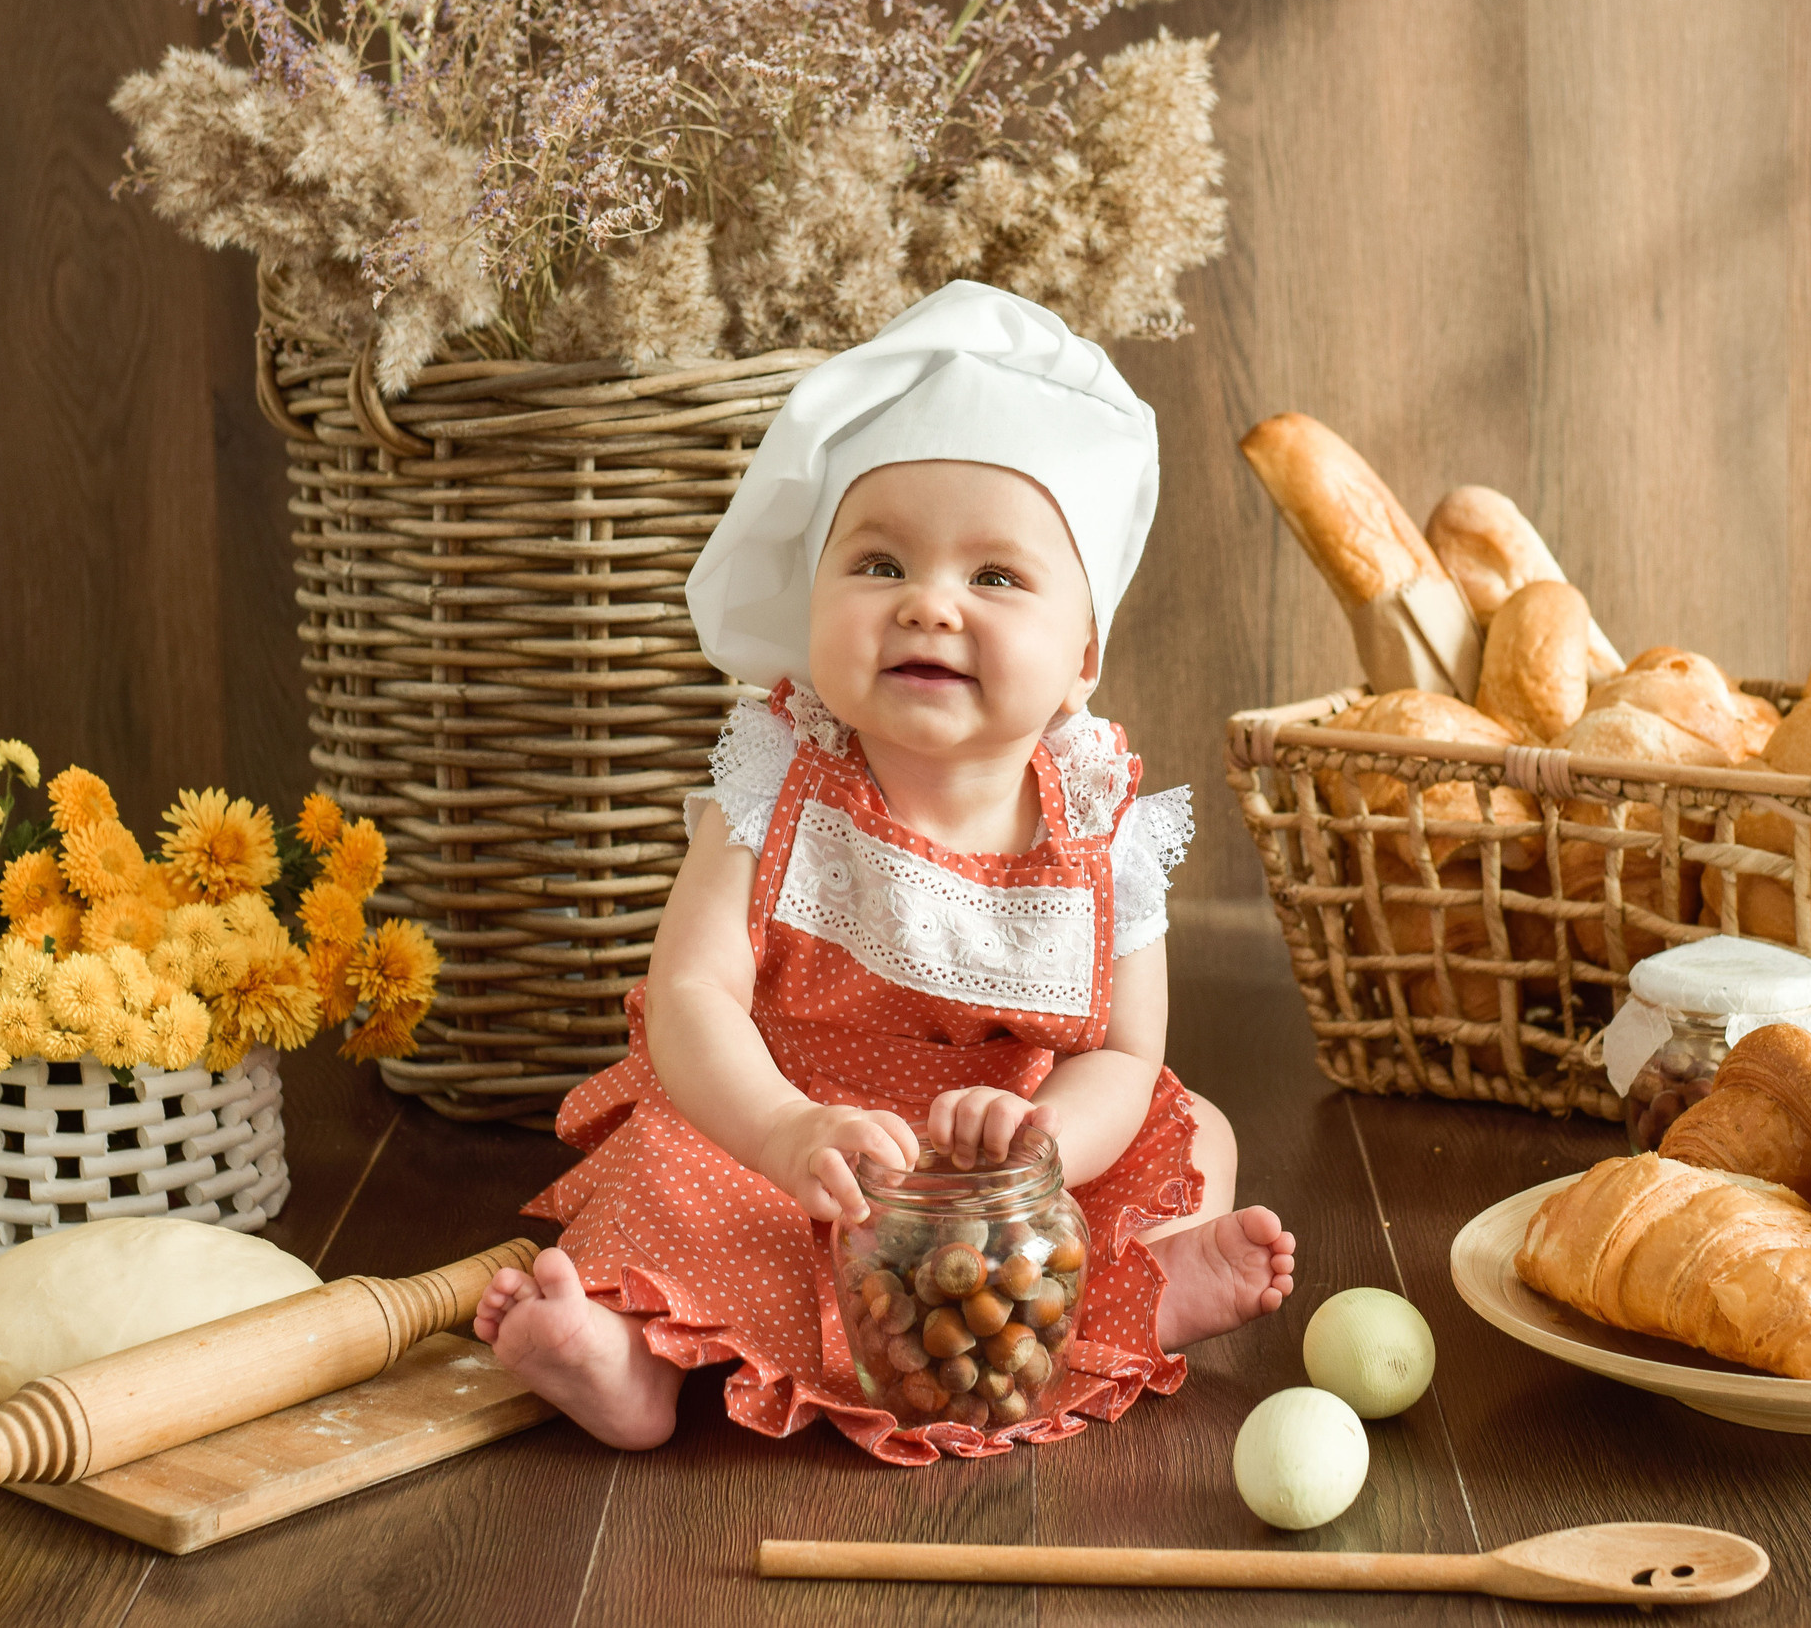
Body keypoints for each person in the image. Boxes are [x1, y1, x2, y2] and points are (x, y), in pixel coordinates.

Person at [474, 282, 1296, 1463]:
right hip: (795, 1139)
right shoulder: (779, 779)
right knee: (665, 1164)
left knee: (1192, 1131)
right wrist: (779, 1128)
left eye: (996, 578)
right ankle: (629, 1361)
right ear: (812, 604)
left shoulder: (1101, 821)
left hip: (1001, 1171)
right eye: (875, 564)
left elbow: (1123, 1051)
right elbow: (691, 997)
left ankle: (1134, 1292)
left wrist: (1043, 1137)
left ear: (1082, 658)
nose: (927, 603)